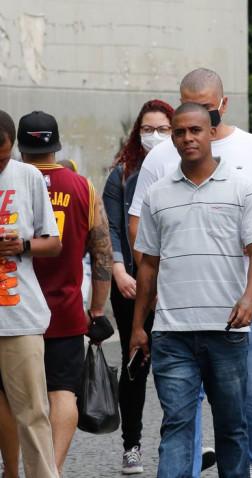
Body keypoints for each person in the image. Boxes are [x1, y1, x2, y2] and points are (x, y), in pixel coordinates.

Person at [128, 68, 252, 477]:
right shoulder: (159, 176)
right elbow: (144, 247)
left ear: (219, 112)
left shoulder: (248, 164)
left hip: (231, 318)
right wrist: (140, 322)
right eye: (181, 128)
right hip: (173, 324)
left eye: (201, 119)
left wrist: (248, 292)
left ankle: (251, 463)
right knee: (177, 423)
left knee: (236, 416)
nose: (188, 137)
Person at [0, 111, 112, 478]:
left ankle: (18, 470)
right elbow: (102, 251)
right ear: (55, 143)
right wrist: (97, 307)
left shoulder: (23, 180)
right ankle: (54, 469)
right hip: (63, 306)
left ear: (19, 145)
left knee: (11, 398)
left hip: (19, 305)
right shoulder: (83, 186)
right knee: (62, 391)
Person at [103, 99, 174, 474]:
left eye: (163, 129)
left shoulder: (182, 168)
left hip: (175, 285)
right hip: (130, 281)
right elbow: (112, 227)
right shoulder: (122, 173)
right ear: (137, 133)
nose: (155, 136)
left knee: (177, 362)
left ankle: (178, 440)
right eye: (148, 129)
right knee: (135, 363)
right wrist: (118, 269)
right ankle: (132, 444)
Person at [0, 109, 61, 478]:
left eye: (4, 153)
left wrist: (22, 245)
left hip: (20, 316)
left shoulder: (29, 177)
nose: (0, 160)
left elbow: (52, 243)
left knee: (33, 412)